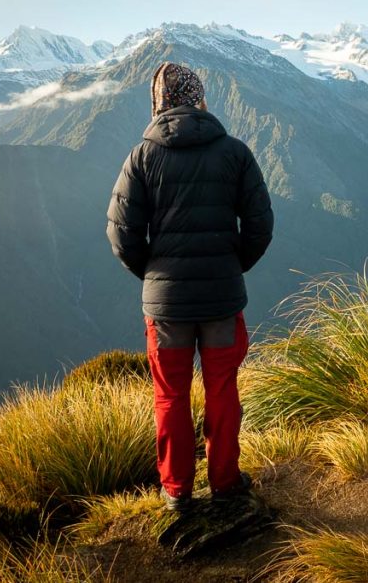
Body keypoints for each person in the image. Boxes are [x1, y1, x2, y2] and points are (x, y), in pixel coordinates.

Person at [107, 62, 273, 512]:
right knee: (223, 390)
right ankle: (225, 484)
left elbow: (121, 233)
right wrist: (231, 265)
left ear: (158, 103)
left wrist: (156, 275)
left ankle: (176, 491)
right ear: (200, 100)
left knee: (170, 394)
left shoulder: (141, 157)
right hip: (221, 299)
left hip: (166, 308)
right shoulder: (235, 153)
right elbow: (259, 224)